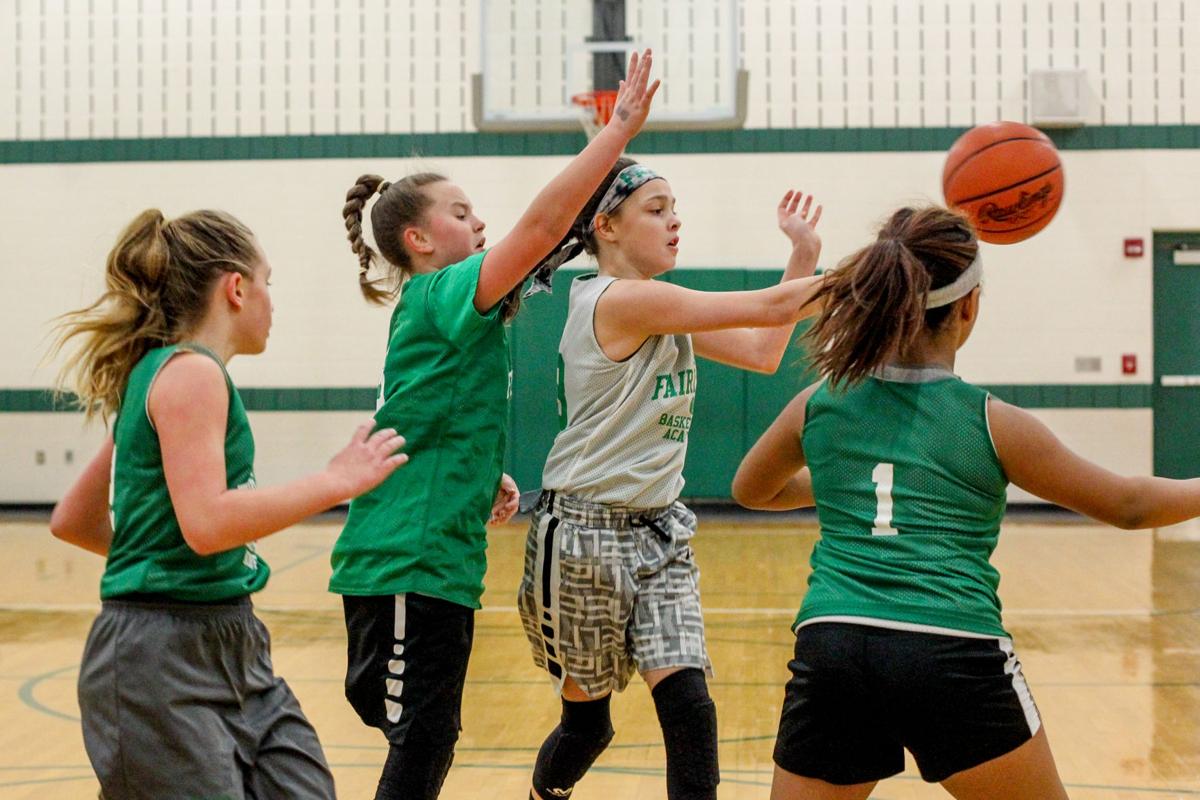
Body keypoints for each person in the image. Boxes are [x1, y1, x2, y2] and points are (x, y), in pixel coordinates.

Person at [733, 204, 1200, 800]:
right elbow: (1129, 505)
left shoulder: (819, 402)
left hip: (836, 643)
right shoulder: (991, 422)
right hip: (951, 647)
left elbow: (753, 489)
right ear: (969, 307)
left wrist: (839, 491)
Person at [330, 50, 661, 800]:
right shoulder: (444, 290)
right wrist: (613, 136)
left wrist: (483, 472)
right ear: (418, 240)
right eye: (460, 212)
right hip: (406, 557)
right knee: (422, 737)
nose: (479, 222)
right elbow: (543, 225)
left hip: (433, 550)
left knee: (424, 732)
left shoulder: (449, 311)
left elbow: (427, 412)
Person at [49, 208, 408, 800]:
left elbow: (73, 519)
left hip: (230, 636)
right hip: (159, 657)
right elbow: (208, 524)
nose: (273, 301)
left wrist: (157, 558)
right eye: (269, 281)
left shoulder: (159, 377)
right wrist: (336, 482)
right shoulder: (190, 374)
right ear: (236, 288)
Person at [516, 156, 825, 800]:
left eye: (674, 208)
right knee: (588, 725)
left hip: (660, 530)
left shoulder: (661, 311)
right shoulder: (623, 300)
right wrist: (885, 271)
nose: (674, 221)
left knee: (689, 707)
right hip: (583, 537)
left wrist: (805, 254)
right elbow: (771, 308)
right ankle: (544, 794)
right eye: (656, 210)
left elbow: (764, 353)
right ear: (606, 226)